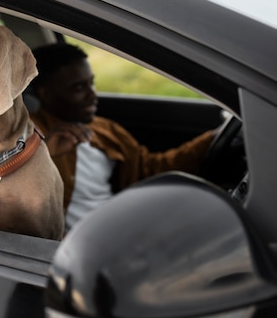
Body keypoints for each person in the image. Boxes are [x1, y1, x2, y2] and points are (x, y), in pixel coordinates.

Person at [29, 42, 215, 229]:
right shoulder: (26, 135)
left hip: (121, 228)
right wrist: (45, 154)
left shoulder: (105, 130)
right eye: (78, 88)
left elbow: (148, 168)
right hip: (69, 246)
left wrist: (210, 140)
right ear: (45, 94)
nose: (92, 95)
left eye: (91, 83)